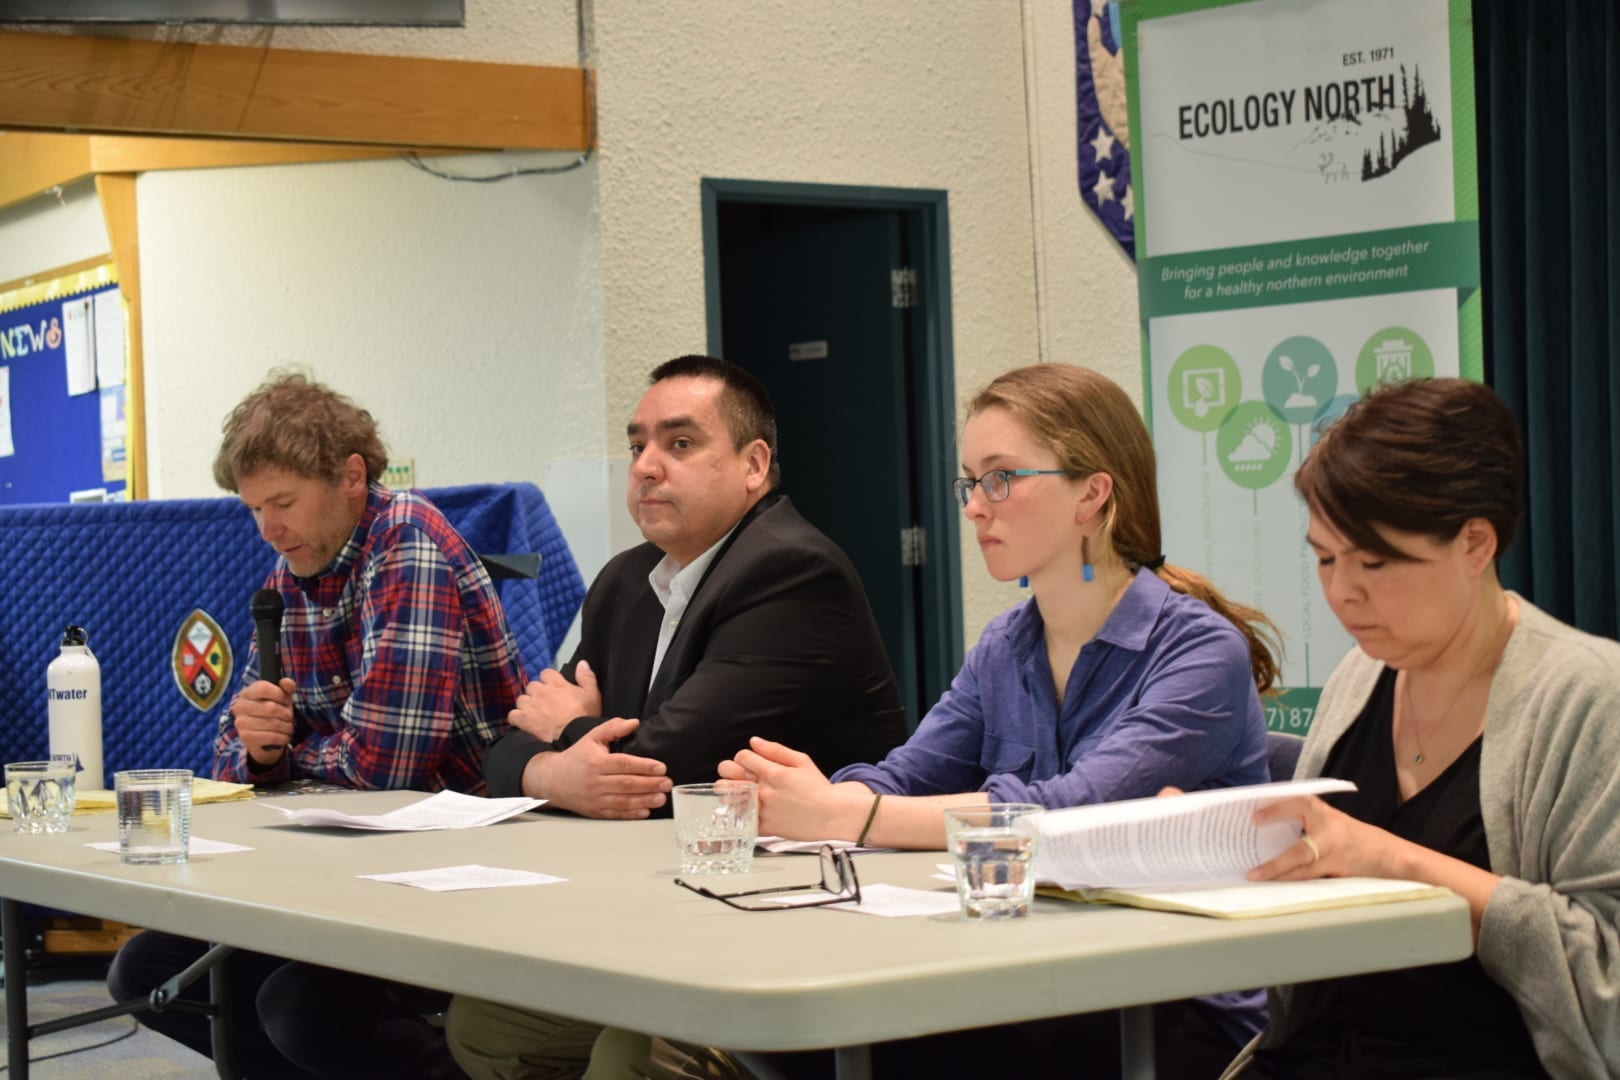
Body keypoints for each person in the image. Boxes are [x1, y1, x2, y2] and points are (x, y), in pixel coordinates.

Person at [694, 362, 1280, 1077]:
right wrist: (798, 799)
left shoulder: (1198, 650)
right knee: (774, 1037)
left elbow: (1073, 809)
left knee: (840, 1047)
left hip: (1171, 1005)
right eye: (970, 481)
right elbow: (905, 775)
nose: (974, 508)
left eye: (1001, 478)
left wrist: (847, 817)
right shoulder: (1007, 644)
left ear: (1091, 494)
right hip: (1027, 968)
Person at [447, 355, 908, 1078]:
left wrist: (568, 740)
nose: (646, 467)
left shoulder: (792, 571)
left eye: (680, 444)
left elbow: (672, 769)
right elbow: (507, 747)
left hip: (791, 927)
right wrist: (558, 766)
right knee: (488, 1022)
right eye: (637, 447)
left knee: (636, 1053)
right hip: (662, 913)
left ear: (755, 465)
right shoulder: (627, 579)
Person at [108, 371, 527, 1080]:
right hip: (341, 867)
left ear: (352, 476)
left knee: (297, 1007)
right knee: (144, 971)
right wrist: (264, 754)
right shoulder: (285, 579)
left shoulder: (408, 546)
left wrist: (288, 754)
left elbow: (384, 769)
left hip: (451, 872)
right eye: (252, 509)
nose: (269, 528)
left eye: (283, 503)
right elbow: (229, 757)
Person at [1225, 378, 1620, 1078]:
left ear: (1474, 543)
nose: (1343, 591)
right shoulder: (1360, 678)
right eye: (1324, 557)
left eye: (1375, 561)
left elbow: (1605, 985)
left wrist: (1396, 862)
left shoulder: (1589, 696)